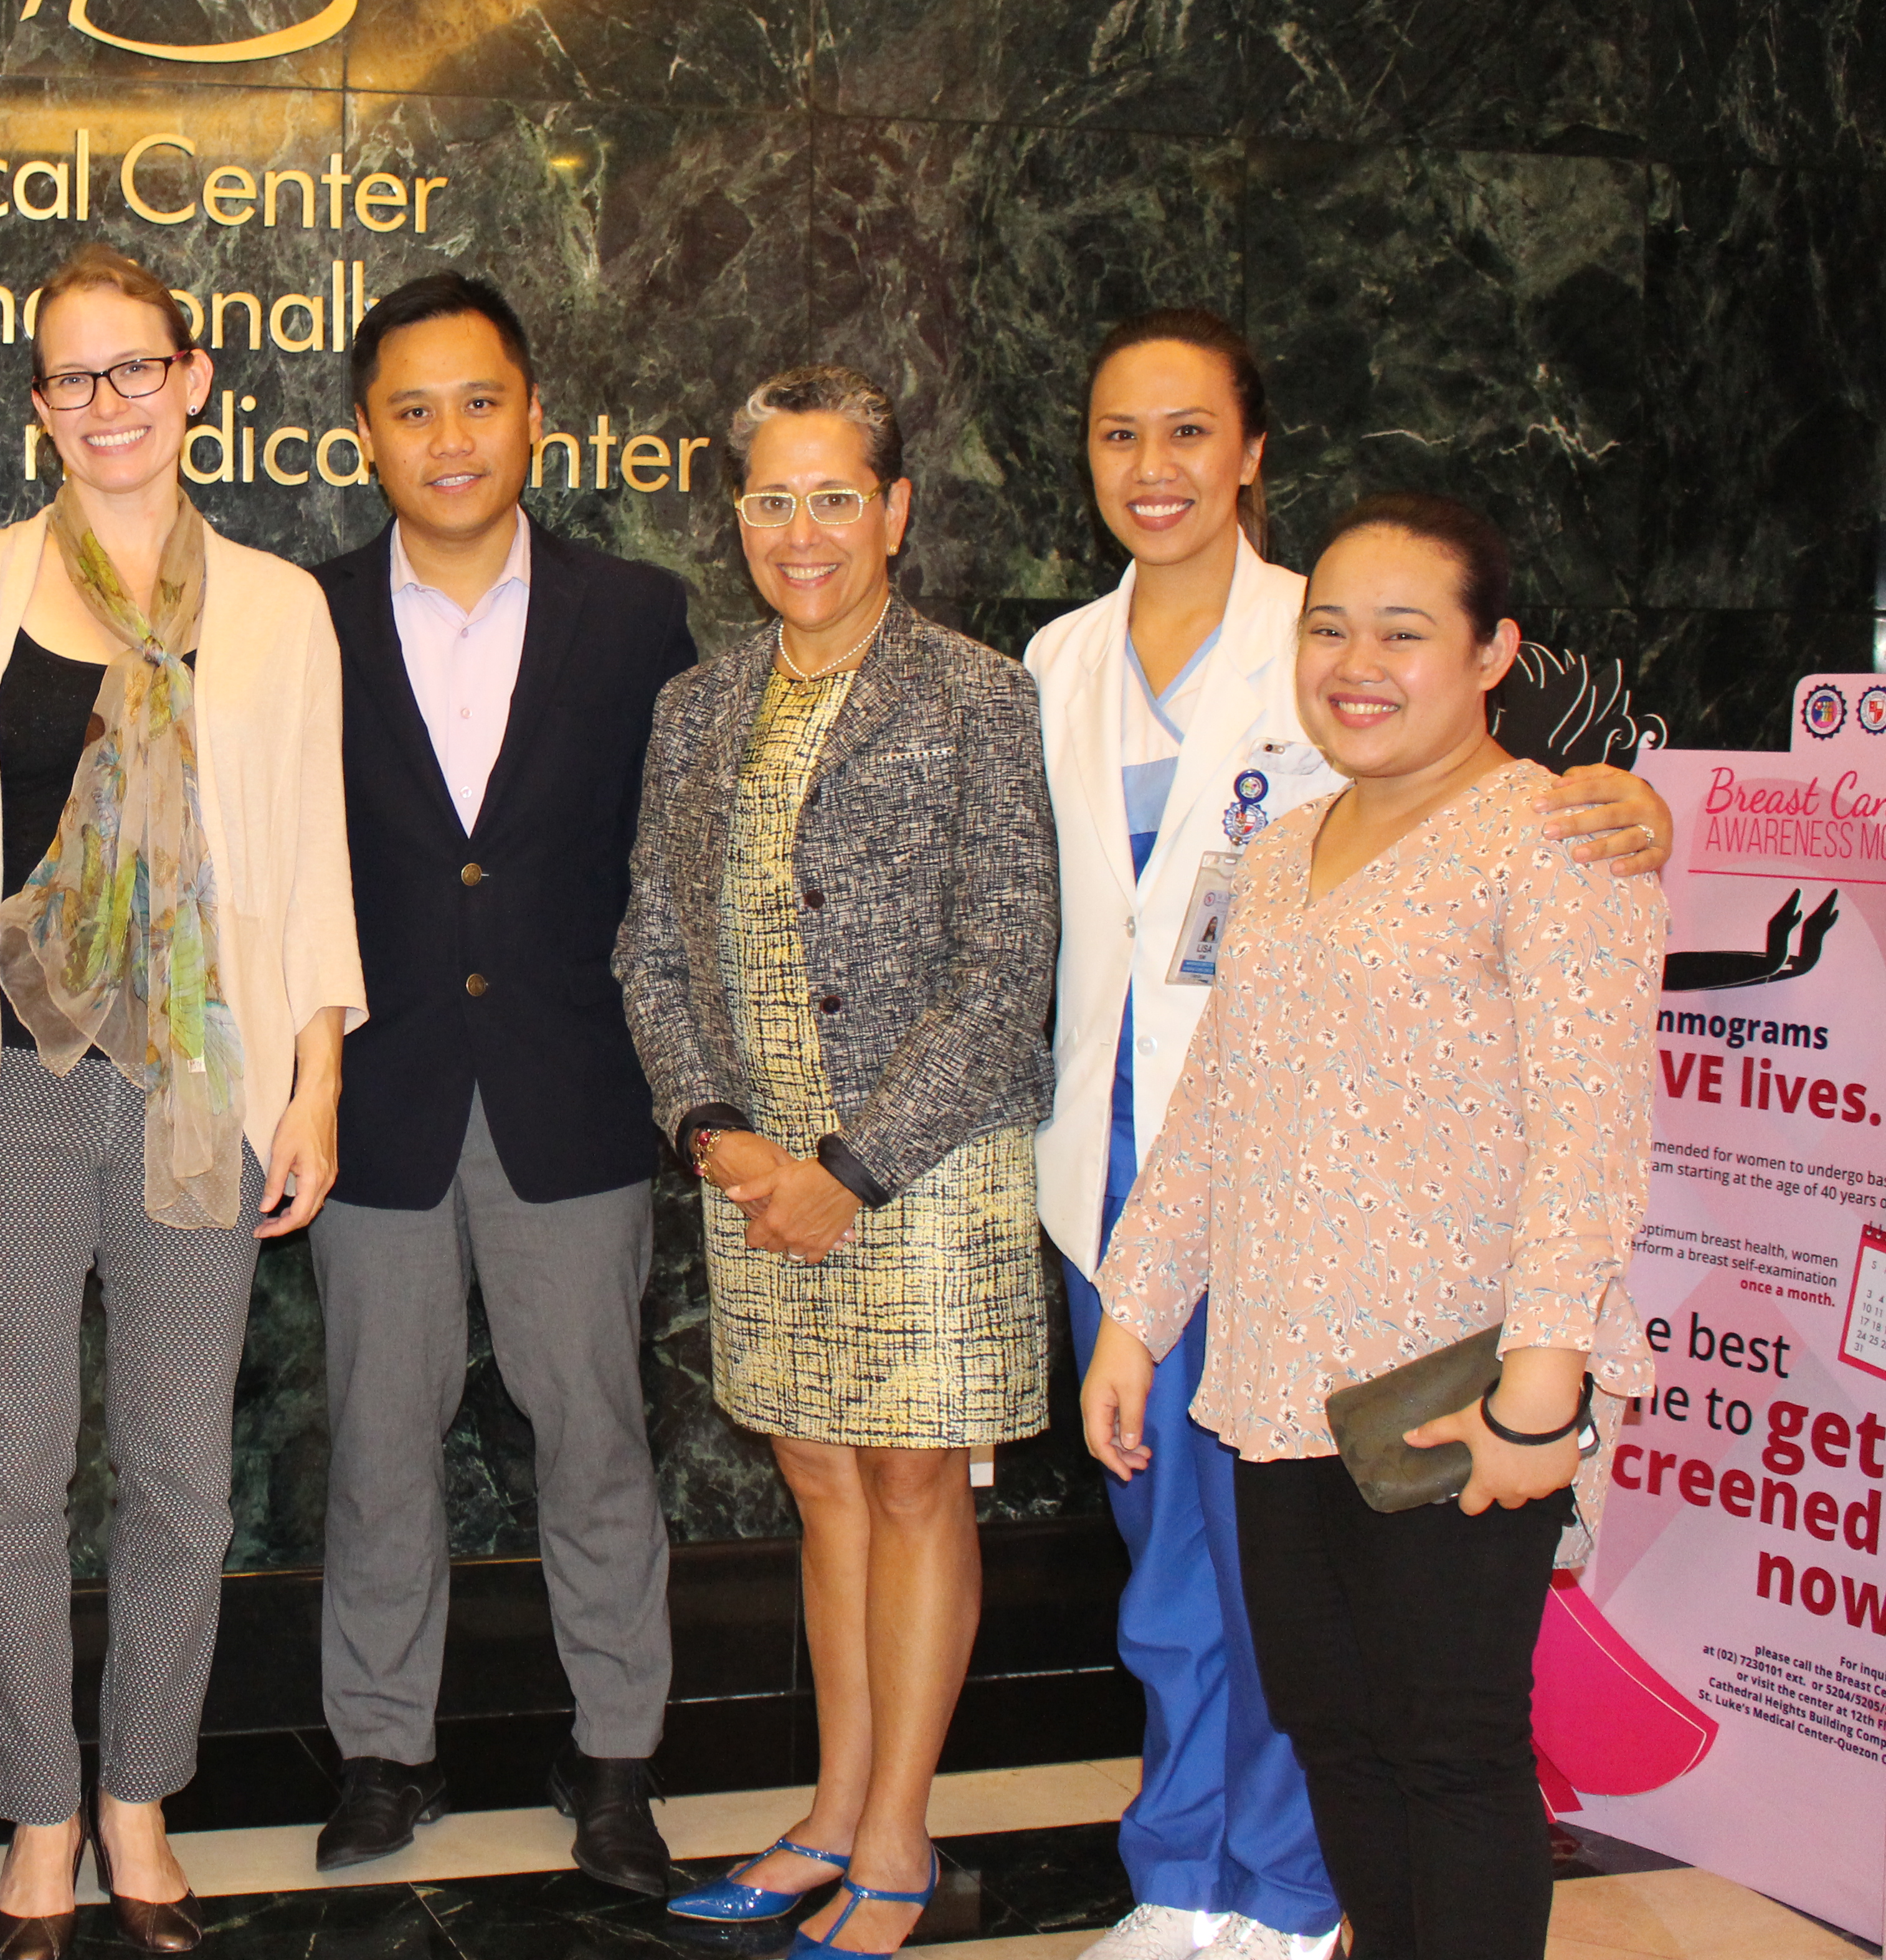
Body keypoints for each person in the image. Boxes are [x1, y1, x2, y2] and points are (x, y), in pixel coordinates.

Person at [1024, 311, 1678, 1960]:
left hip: (1454, 1367)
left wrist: (1547, 1388)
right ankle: (1286, 1913)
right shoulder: (1259, 823)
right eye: (1334, 631)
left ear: (1489, 653)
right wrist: (1143, 1311)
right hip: (1256, 1339)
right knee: (1325, 1713)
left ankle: (1355, 1925)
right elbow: (1219, 1099)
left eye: (1402, 633)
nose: (1359, 665)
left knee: (1447, 1746)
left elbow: (1592, 1139)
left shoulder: (1546, 837)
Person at [0, 244, 366, 1959]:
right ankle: (35, 1817)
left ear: (194, 379)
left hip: (200, 1088)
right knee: (10, 1474)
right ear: (38, 407)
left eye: (132, 371)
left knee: (178, 1474)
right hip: (4, 1085)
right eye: (70, 380)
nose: (105, 407)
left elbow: (311, 861)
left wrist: (314, 1077)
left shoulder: (285, 611)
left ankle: (142, 1800)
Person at [616, 364, 1056, 1959]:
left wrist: (851, 1169)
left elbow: (1009, 968)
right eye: (771, 500)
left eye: (834, 497)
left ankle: (896, 1838)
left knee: (911, 1480)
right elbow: (652, 943)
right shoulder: (700, 704)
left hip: (920, 1171)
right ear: (738, 518)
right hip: (754, 1171)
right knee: (816, 1478)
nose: (802, 532)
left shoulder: (974, 695)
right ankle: (831, 1804)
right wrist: (716, 1135)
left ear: (898, 511)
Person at [301, 273, 696, 1892]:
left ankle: (615, 1758)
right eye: (413, 409)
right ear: (366, 437)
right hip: (374, 1108)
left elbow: (670, 870)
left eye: (479, 402)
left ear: (535, 415)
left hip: (572, 1099)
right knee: (377, 1445)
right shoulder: (302, 617)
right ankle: (386, 1752)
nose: (449, 438)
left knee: (596, 1439)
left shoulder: (635, 612)